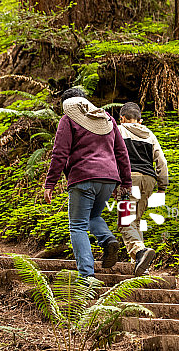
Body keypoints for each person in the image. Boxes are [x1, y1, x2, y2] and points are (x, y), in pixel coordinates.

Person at [44, 88, 132, 277]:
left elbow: (60, 153)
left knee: (77, 226)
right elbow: (121, 153)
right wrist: (126, 182)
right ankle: (108, 240)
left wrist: (50, 183)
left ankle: (86, 276)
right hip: (109, 179)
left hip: (83, 178)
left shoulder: (68, 120)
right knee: (93, 216)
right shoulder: (107, 119)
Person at [117, 102, 169, 276]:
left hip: (128, 179)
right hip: (148, 180)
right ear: (140, 120)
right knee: (135, 220)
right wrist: (162, 185)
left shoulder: (118, 130)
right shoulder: (149, 134)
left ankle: (139, 251)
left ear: (122, 118)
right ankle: (140, 265)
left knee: (125, 219)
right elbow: (161, 161)